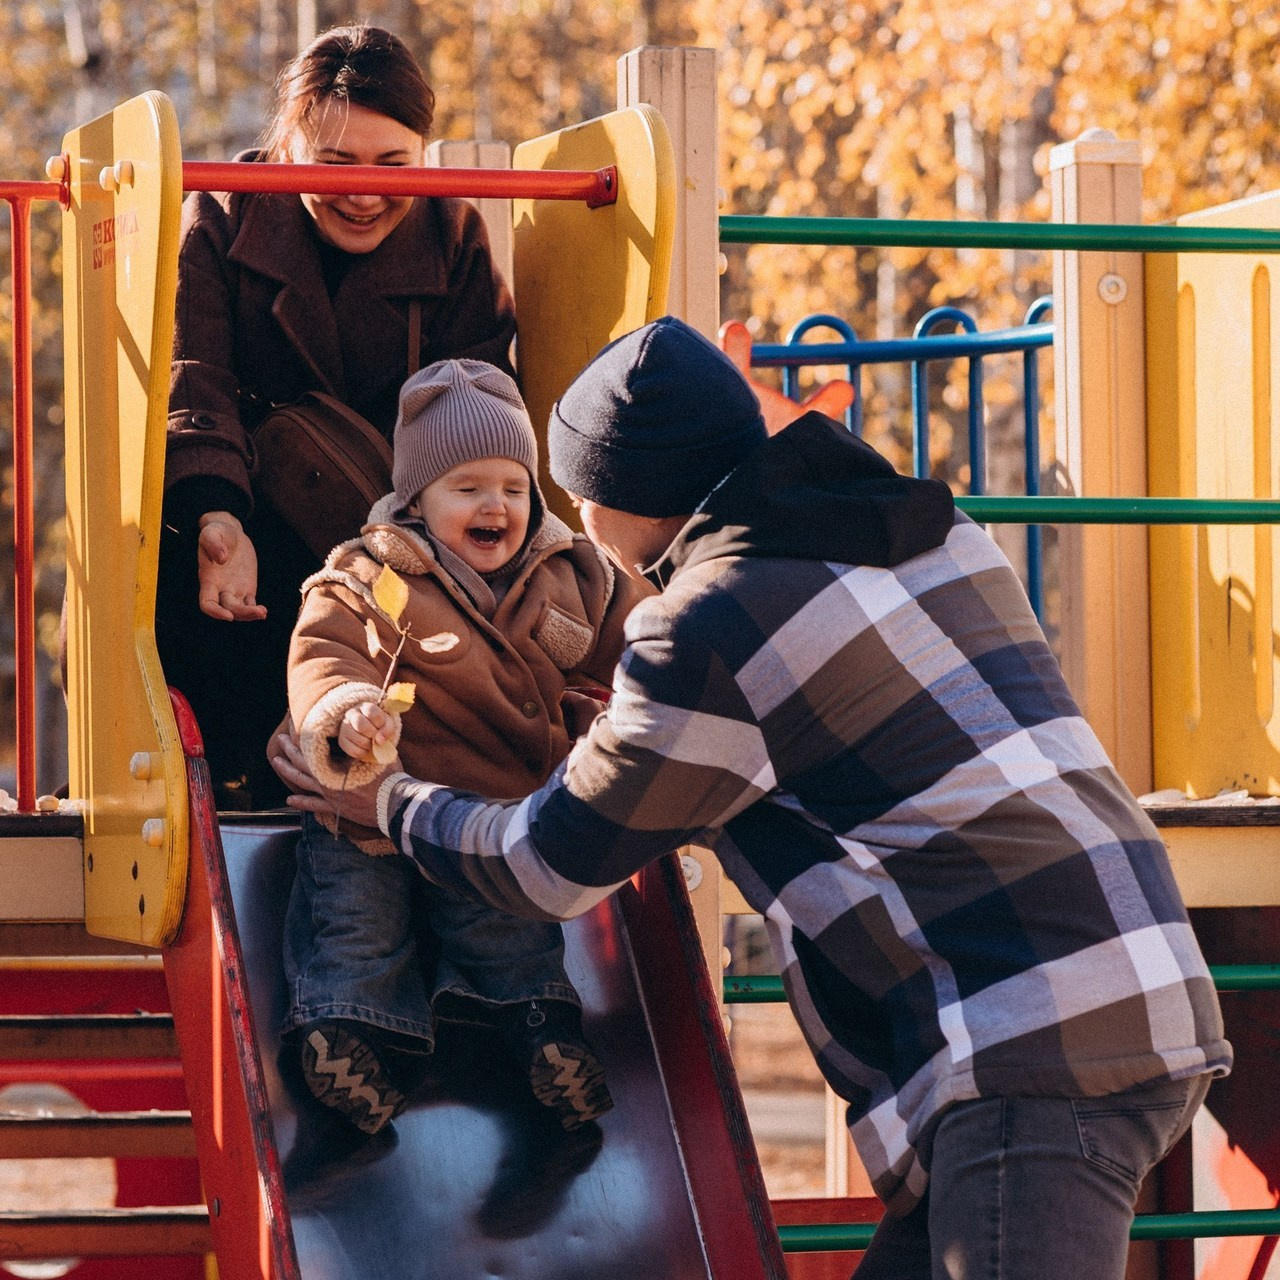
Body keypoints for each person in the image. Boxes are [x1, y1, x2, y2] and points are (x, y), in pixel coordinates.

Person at [280, 315, 1232, 1279]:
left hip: (1025, 1041)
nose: (576, 525)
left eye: (575, 494)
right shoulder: (933, 529)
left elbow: (546, 864)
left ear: (629, 495)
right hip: (1121, 979)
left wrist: (391, 805)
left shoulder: (709, 623)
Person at [282, 358, 645, 1141]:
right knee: (355, 925)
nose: (497, 506)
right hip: (373, 807)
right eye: (468, 488)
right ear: (416, 501)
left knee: (510, 933)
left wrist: (644, 694)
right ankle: (348, 1042)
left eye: (514, 488)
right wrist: (347, 714)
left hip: (491, 819)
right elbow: (325, 652)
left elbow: (646, 636)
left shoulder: (570, 574)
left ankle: (544, 1037)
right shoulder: (372, 573)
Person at [159, 24, 516, 810]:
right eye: (334, 164)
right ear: (289, 147)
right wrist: (217, 514)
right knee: (194, 563)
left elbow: (479, 400)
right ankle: (226, 792)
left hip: (393, 527)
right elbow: (195, 381)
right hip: (254, 506)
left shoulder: (451, 238)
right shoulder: (221, 219)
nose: (364, 193)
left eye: (394, 165)